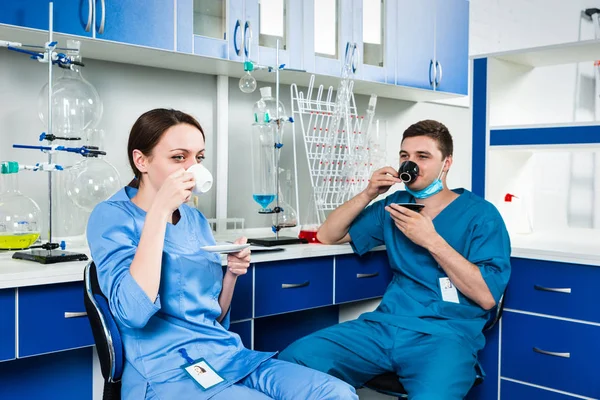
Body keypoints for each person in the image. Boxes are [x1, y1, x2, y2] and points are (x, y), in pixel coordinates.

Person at [86, 108, 358, 400]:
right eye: (179, 157)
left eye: (199, 158)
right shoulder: (112, 217)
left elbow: (212, 316)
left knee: (337, 393)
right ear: (142, 161)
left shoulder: (194, 220)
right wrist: (159, 211)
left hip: (223, 355)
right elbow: (133, 313)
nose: (192, 168)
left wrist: (231, 274)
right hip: (165, 370)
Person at [279, 120, 511, 400]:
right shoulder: (395, 207)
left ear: (446, 162)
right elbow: (328, 235)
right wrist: (369, 193)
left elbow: (487, 296)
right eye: (405, 156)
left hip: (445, 335)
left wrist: (431, 239)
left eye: (422, 157)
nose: (410, 164)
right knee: (295, 360)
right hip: (383, 327)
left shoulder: (482, 215)